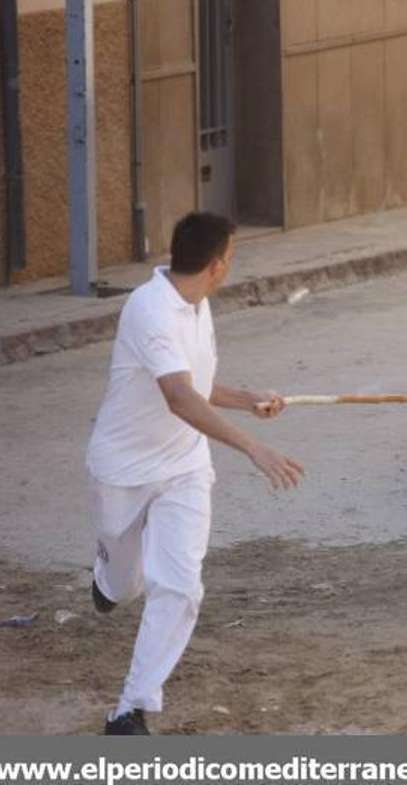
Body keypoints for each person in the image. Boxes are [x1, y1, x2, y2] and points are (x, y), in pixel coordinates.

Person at [85, 212, 306, 735]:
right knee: (126, 585)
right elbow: (179, 397)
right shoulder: (150, 309)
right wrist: (253, 446)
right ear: (216, 265)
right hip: (122, 469)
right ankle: (106, 580)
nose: (230, 266)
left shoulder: (198, 305)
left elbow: (197, 384)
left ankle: (131, 708)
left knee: (181, 586)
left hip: (184, 466)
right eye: (231, 257)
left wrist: (248, 398)